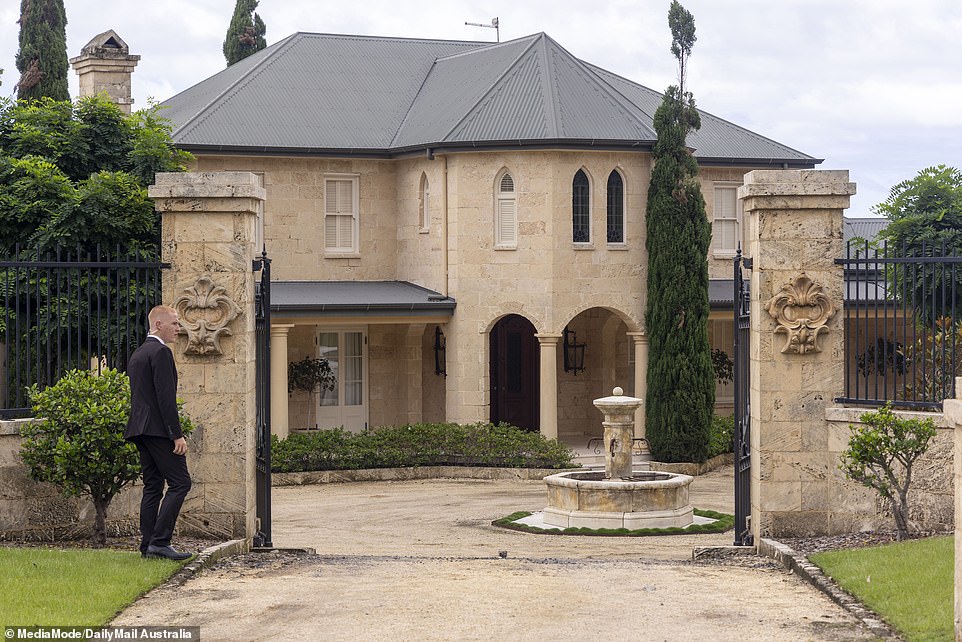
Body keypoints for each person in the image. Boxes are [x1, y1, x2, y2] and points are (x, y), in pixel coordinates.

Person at [125, 304, 193, 561]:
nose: (178, 328)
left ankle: (147, 546)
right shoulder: (161, 352)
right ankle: (160, 542)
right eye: (174, 323)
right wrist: (176, 434)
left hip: (140, 430)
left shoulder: (139, 353)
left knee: (153, 486)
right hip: (157, 430)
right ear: (158, 325)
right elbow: (165, 398)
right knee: (181, 482)